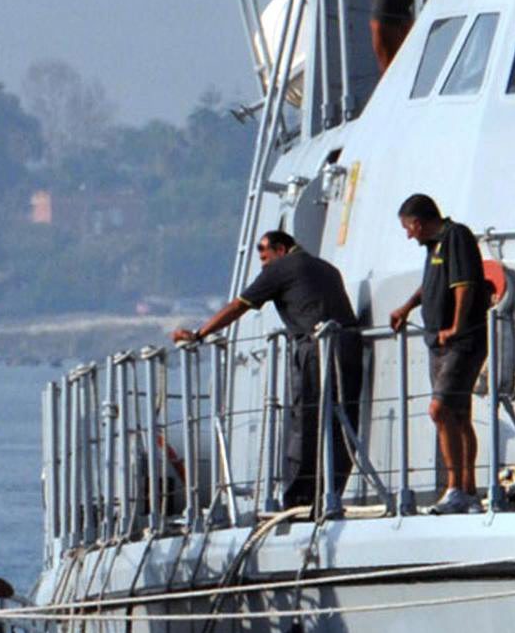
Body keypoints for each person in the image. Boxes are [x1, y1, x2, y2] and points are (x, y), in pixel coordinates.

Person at [174, 228, 363, 508]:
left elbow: (240, 305)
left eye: (265, 257)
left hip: (317, 348)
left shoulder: (283, 267)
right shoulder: (327, 268)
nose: (265, 265)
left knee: (307, 420)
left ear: (281, 249)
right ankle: (331, 491)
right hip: (349, 344)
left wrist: (200, 334)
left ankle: (301, 499)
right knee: (342, 420)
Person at [385, 194, 488, 513]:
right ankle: (467, 489)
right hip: (439, 343)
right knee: (457, 414)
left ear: (418, 222)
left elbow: (464, 284)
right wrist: (407, 306)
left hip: (460, 341)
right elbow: (431, 284)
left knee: (439, 410)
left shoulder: (455, 236)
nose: (408, 235)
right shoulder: (434, 247)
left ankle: (455, 487)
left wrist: (456, 325)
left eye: (408, 228)